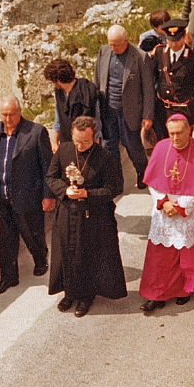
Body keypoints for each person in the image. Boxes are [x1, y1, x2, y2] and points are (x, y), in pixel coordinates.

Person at [45, 115, 127, 316]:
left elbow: (114, 188)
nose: (80, 146)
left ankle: (86, 296)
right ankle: (69, 294)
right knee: (66, 253)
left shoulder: (104, 157)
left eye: (86, 142)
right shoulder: (64, 150)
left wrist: (87, 194)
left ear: (95, 137)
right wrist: (65, 190)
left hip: (93, 216)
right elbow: (51, 177)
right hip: (67, 213)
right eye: (77, 141)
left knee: (87, 256)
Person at [139, 114, 194, 312]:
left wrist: (182, 206)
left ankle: (184, 290)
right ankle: (157, 294)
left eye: (179, 133)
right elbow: (152, 181)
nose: (175, 138)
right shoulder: (160, 148)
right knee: (160, 256)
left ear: (188, 130)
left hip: (189, 212)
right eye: (171, 133)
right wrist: (164, 202)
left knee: (187, 253)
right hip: (164, 211)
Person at [0, 96, 55, 294]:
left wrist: (48, 195)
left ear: (20, 112)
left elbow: (48, 166)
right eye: (4, 114)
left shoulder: (36, 132)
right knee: (5, 239)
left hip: (28, 195)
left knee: (32, 232)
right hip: (1, 196)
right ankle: (9, 278)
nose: (8, 119)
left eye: (12, 114)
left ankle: (40, 259)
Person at [95, 25, 154, 189]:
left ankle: (143, 172)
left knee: (133, 146)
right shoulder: (104, 52)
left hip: (130, 111)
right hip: (108, 110)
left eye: (116, 45)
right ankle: (116, 181)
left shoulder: (140, 57)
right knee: (109, 146)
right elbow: (97, 79)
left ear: (126, 41)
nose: (113, 48)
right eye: (110, 44)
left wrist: (148, 115)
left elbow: (148, 88)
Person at [149, 18, 194, 131]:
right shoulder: (159, 53)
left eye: (177, 39)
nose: (173, 44)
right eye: (170, 39)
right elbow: (153, 77)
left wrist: (191, 100)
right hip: (163, 111)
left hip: (185, 110)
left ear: (184, 36)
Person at [44, 57, 102, 150]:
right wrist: (55, 142)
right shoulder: (59, 92)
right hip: (67, 143)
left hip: (85, 144)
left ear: (57, 80)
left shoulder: (86, 91)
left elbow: (96, 120)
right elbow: (58, 118)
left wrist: (96, 146)